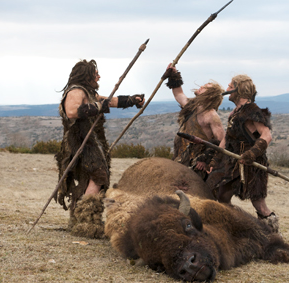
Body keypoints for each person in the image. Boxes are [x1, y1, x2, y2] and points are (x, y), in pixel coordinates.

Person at [55, 59, 144, 238]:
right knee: (98, 176)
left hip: (92, 142)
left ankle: (81, 220)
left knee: (92, 178)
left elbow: (111, 101)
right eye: (96, 74)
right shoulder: (76, 91)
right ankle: (86, 223)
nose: (99, 76)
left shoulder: (88, 92)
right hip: (81, 143)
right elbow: (72, 111)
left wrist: (132, 100)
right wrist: (97, 106)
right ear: (86, 75)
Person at [210, 74, 278, 231]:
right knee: (223, 196)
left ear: (238, 89)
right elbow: (226, 139)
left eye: (229, 86)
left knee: (259, 204)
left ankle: (272, 234)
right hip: (233, 164)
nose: (226, 89)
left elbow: (266, 135)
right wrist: (215, 159)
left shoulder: (252, 111)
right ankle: (235, 227)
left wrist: (251, 153)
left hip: (252, 165)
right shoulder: (234, 113)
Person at [164, 64, 225, 181]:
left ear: (209, 94)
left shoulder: (212, 116)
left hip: (198, 164)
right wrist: (173, 75)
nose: (201, 86)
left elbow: (221, 141)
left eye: (205, 87)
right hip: (181, 157)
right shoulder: (191, 106)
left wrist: (208, 160)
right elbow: (178, 94)